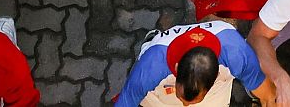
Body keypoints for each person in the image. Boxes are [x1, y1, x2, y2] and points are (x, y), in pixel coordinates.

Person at [116, 21, 278, 106]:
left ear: (214, 78)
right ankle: (151, 39)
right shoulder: (151, 66)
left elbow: (269, 96)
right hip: (160, 91)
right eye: (182, 97)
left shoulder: (238, 55)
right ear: (177, 68)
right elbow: (125, 102)